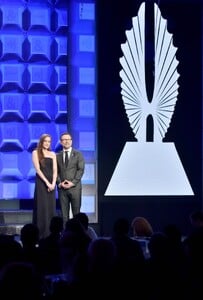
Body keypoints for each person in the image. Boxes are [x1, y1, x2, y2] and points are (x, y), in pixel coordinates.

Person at [32, 133, 57, 239]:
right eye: (45, 141)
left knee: (50, 208)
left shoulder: (53, 154)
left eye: (49, 141)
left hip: (52, 184)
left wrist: (53, 183)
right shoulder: (35, 152)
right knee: (42, 208)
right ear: (41, 142)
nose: (47, 143)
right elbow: (37, 170)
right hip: (42, 183)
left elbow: (55, 170)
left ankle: (50, 234)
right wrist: (47, 183)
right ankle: (40, 234)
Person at [56, 132, 85, 225]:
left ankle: (78, 235)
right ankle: (65, 235)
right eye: (64, 140)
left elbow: (80, 170)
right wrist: (59, 183)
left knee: (77, 214)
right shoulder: (57, 156)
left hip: (75, 188)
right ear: (61, 142)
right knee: (64, 215)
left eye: (68, 139)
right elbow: (55, 171)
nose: (66, 141)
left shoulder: (78, 154)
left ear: (71, 141)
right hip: (62, 189)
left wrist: (73, 183)